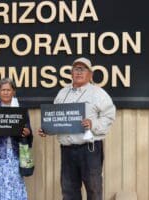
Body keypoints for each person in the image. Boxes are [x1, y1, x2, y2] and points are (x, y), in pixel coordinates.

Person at [38, 57, 116, 200]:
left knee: (94, 190)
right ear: (71, 73)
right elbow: (56, 118)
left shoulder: (98, 93)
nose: (79, 72)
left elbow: (109, 117)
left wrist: (93, 124)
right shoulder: (62, 93)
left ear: (90, 74)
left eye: (83, 69)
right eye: (76, 69)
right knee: (69, 191)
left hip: (89, 150)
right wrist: (47, 129)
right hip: (67, 150)